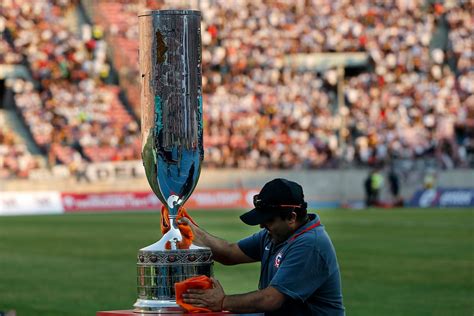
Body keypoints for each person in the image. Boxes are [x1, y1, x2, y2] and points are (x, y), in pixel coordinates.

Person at [179, 178, 345, 315]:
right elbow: (230, 253)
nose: (261, 226)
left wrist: (222, 301)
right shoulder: (276, 234)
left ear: (291, 217)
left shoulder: (310, 244)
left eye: (269, 220)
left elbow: (271, 299)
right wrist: (191, 231)